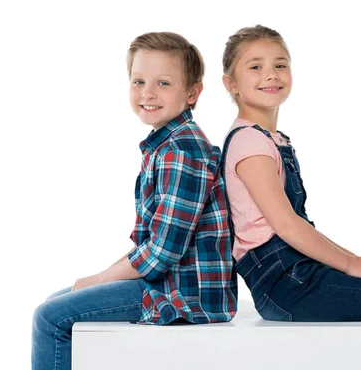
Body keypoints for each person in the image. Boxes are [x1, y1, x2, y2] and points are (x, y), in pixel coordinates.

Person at [219, 24, 361, 370]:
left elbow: (298, 224)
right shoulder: (249, 144)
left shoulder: (272, 139)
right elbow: (286, 225)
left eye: (280, 65)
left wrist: (352, 257)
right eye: (255, 66)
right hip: (284, 285)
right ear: (231, 84)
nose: (271, 74)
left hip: (296, 274)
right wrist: (348, 264)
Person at [32, 32, 237, 370]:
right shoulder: (165, 144)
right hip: (166, 282)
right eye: (139, 81)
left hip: (184, 294)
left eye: (163, 83)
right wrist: (101, 275)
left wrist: (100, 279)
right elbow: (150, 243)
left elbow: (161, 254)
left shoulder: (181, 151)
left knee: (50, 319)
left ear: (192, 93)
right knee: (59, 300)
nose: (148, 93)